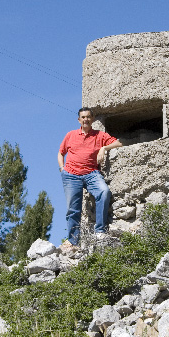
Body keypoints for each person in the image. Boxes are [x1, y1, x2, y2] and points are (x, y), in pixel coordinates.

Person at [58, 107, 123, 249]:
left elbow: (119, 143)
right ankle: (73, 240)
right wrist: (62, 169)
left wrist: (104, 148)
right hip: (71, 175)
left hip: (91, 173)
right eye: (83, 117)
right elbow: (61, 152)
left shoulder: (100, 135)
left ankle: (99, 231)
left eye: (88, 117)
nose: (85, 119)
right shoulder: (71, 135)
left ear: (92, 119)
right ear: (79, 120)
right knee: (73, 209)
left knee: (104, 192)